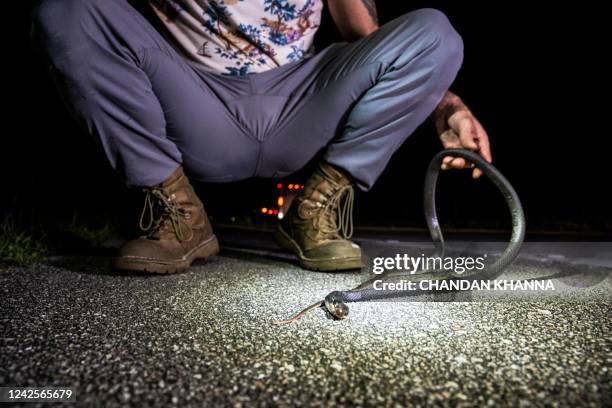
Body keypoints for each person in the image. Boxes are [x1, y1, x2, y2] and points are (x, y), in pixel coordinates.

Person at [30, 0, 491, 273]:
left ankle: (315, 210)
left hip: (300, 105)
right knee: (66, 11)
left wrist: (448, 108)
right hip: (196, 101)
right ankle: (178, 213)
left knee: (434, 31)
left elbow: (365, 33)